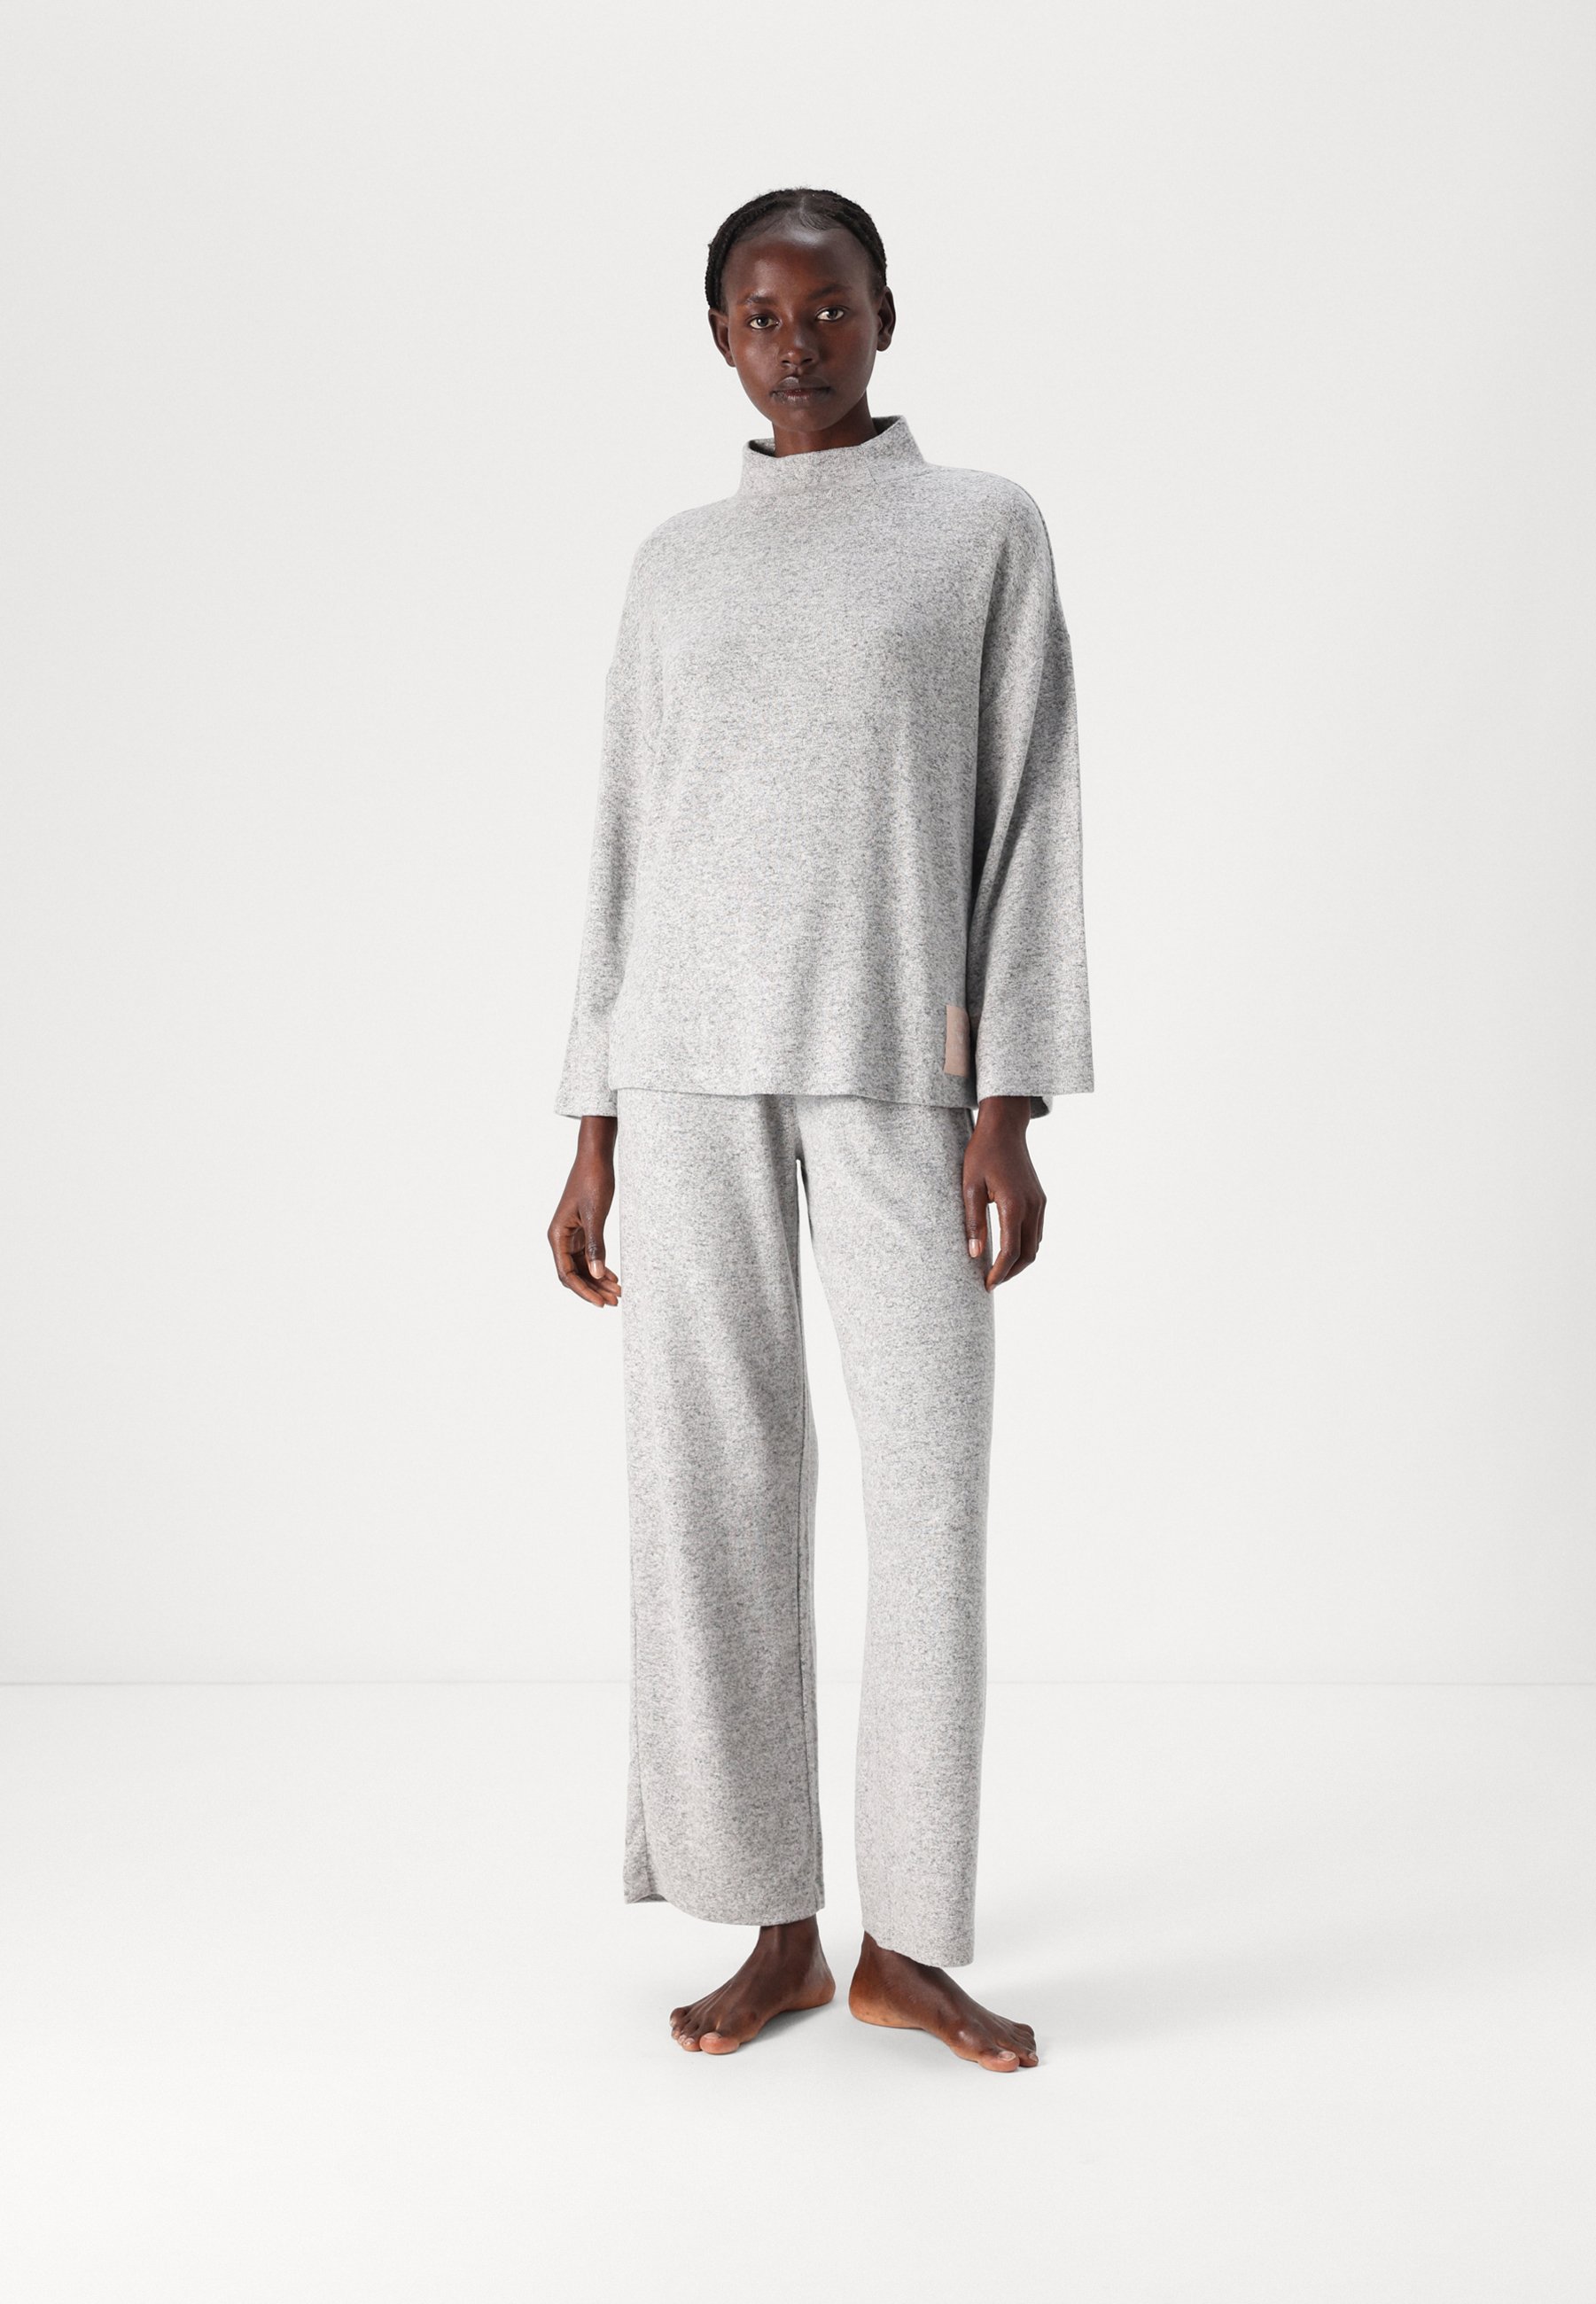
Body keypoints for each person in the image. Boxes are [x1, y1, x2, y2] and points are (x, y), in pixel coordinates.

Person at [549, 187, 1093, 2073]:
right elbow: (622, 835)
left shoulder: (978, 530)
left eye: (831, 308)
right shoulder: (675, 563)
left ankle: (909, 1942)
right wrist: (591, 1118)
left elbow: (1030, 816)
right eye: (764, 315)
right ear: (721, 336)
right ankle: (773, 1924)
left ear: (885, 317)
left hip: (894, 1067)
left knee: (928, 1491)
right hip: (684, 1069)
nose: (799, 343)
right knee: (709, 1491)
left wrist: (1008, 1101)